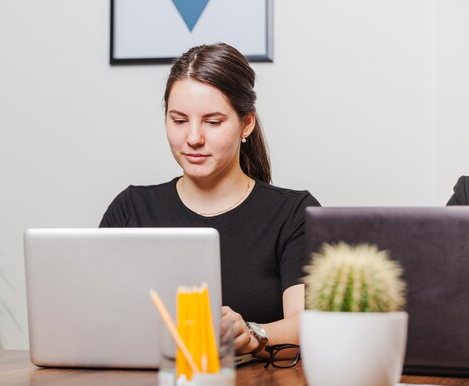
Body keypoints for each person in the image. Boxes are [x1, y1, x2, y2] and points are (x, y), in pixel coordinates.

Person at [100, 43, 320, 358]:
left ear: (247, 123)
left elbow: (308, 326)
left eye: (212, 122)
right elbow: (98, 316)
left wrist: (252, 334)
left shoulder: (293, 214)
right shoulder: (131, 207)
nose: (193, 138)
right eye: (178, 120)